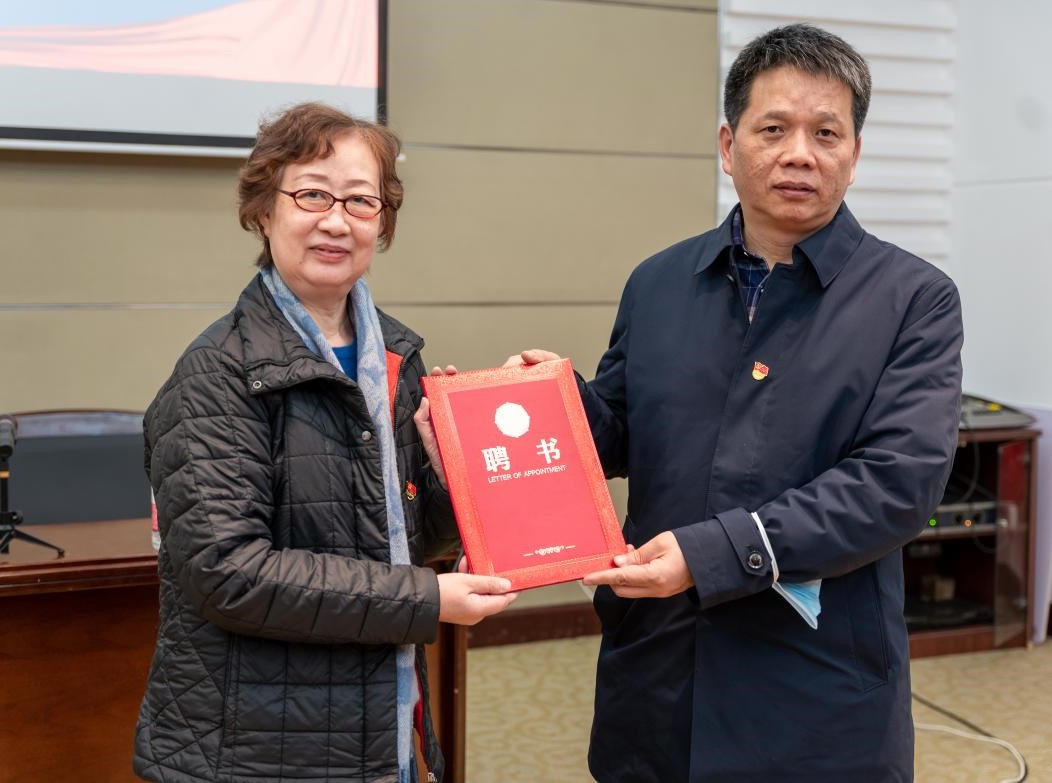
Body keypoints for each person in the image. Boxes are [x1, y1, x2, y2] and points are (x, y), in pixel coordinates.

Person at [509, 24, 962, 782]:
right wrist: (551, 402)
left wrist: (713, 553)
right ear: (728, 145)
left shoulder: (914, 299)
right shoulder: (658, 282)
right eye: (773, 129)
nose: (799, 153)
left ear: (854, 153)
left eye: (826, 133)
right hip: (659, 672)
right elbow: (619, 432)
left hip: (816, 688)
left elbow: (897, 484)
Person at [133, 102, 517, 783]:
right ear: (264, 210)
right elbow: (229, 573)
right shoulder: (216, 373)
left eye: (361, 200)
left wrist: (450, 468)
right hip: (257, 752)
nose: (337, 221)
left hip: (382, 727)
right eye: (312, 194)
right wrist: (427, 600)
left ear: (382, 222)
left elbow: (407, 540)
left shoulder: (396, 358)